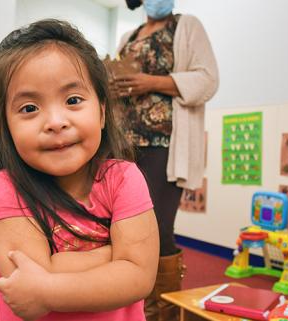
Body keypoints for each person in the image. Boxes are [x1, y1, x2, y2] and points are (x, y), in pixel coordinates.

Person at [0, 19, 159, 321]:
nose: (55, 121)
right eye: (29, 108)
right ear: (5, 127)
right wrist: (116, 259)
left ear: (101, 112)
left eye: (73, 100)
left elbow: (140, 278)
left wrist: (48, 283)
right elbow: (28, 280)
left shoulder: (123, 178)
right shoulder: (6, 186)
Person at [113, 0, 219, 320]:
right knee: (121, 227)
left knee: (157, 227)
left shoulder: (187, 27)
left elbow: (207, 80)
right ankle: (129, 306)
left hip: (165, 145)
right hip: (124, 145)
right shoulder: (128, 37)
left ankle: (162, 312)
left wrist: (152, 82)